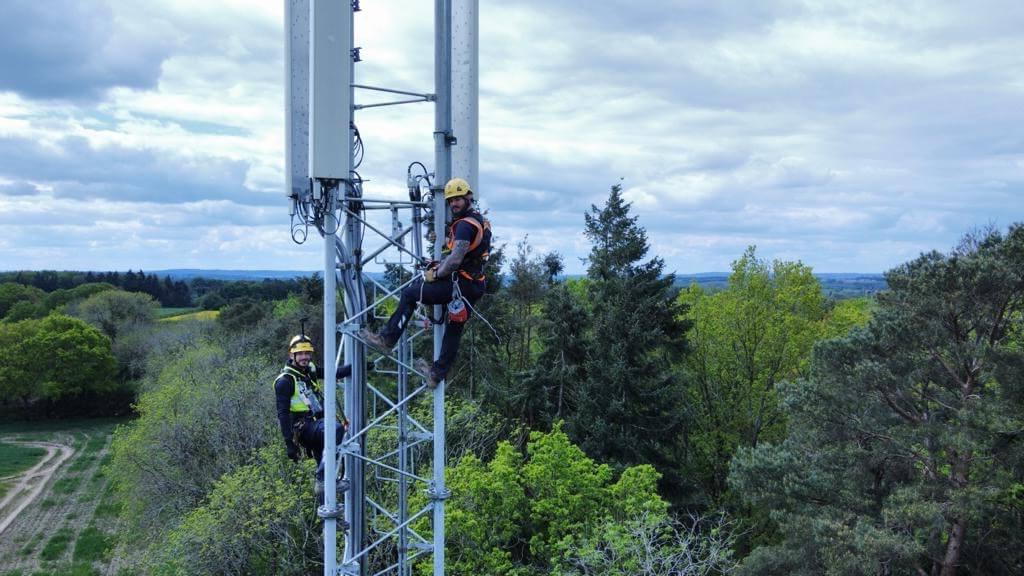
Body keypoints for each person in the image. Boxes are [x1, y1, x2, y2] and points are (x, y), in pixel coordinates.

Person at [362, 177, 491, 388]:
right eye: (451, 200)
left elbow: (456, 259)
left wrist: (436, 273)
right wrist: (439, 264)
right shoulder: (479, 221)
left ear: (468, 197)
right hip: (474, 284)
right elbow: (468, 256)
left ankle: (387, 339)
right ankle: (436, 373)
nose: (454, 204)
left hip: (461, 284)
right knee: (454, 328)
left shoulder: (465, 226)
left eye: (458, 199)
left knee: (411, 294)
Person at [274, 334, 349, 498]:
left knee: (326, 468)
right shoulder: (285, 381)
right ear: (291, 355)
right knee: (335, 429)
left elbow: (333, 372)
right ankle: (322, 478)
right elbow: (283, 414)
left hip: (317, 426)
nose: (304, 357)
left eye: (307, 353)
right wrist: (289, 444)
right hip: (303, 428)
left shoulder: (310, 370)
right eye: (300, 353)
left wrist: (360, 366)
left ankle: (329, 514)